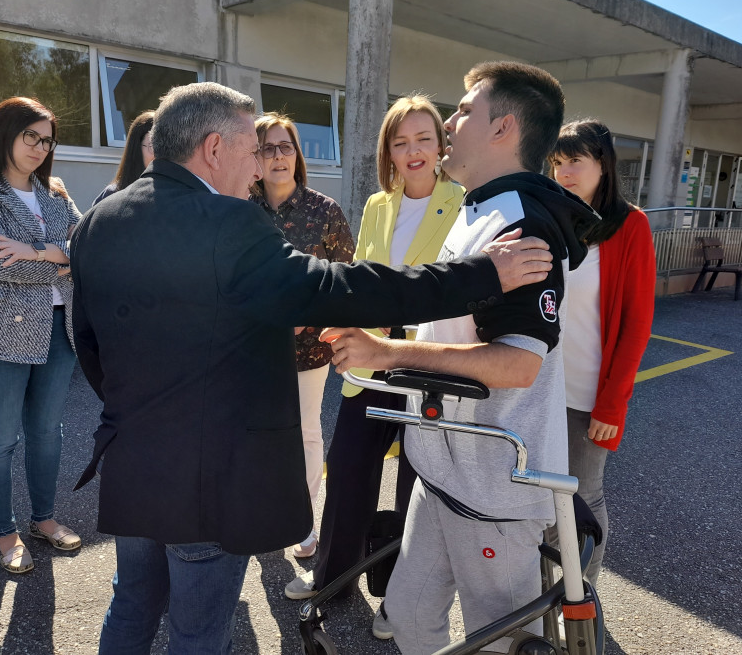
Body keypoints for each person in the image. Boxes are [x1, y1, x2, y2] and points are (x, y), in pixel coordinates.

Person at [69, 81, 555, 654]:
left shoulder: (100, 220)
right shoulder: (228, 223)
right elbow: (340, 286)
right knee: (197, 632)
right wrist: (482, 275)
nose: (259, 166)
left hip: (133, 464)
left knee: (130, 609)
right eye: (252, 149)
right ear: (213, 148)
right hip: (207, 480)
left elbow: (91, 345)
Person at [320, 61, 599, 654]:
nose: (452, 120)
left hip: (495, 488)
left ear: (503, 128)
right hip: (441, 470)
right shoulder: (478, 209)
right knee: (410, 616)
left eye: (466, 109)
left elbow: (517, 365)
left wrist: (385, 349)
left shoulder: (524, 224)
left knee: (499, 642)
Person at [285, 94, 463, 600]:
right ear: (388, 151)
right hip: (370, 360)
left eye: (423, 139)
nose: (413, 151)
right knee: (347, 470)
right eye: (400, 141)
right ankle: (332, 579)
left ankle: (401, 596)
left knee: (416, 481)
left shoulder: (463, 202)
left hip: (428, 365)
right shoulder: (378, 204)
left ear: (441, 144)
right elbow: (359, 276)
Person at [0, 97, 83, 574]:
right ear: (5, 133)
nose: (41, 148)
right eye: (32, 137)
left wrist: (36, 251)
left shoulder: (55, 192)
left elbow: (89, 248)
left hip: (58, 331)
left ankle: (43, 519)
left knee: (47, 433)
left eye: (48, 140)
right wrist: (58, 259)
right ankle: (4, 534)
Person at [548, 118, 656, 587]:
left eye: (574, 161)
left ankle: (582, 594)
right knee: (543, 493)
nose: (564, 172)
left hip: (591, 392)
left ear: (603, 165)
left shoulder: (630, 226)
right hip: (540, 384)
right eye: (556, 163)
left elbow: (636, 322)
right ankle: (550, 585)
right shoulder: (554, 217)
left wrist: (612, 402)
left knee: (583, 495)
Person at [250, 111, 355, 558]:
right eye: (267, 148)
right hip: (250, 348)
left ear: (297, 155)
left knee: (306, 433)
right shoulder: (239, 207)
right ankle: (258, 513)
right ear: (254, 157)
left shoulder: (324, 210)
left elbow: (344, 276)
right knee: (255, 433)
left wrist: (307, 318)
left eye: (286, 146)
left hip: (308, 348)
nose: (278, 156)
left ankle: (302, 520)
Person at [91, 110, 155, 206]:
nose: (160, 155)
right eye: (154, 146)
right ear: (136, 148)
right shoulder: (111, 196)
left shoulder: (177, 196)